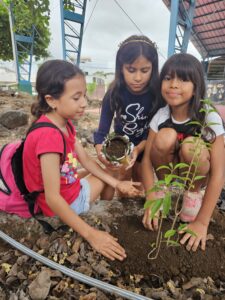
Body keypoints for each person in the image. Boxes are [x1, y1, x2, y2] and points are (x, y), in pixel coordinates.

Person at [23, 59, 142, 261]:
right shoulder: (49, 137)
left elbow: (85, 160)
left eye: (84, 96)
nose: (84, 103)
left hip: (66, 187)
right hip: (64, 204)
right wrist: (91, 234)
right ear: (51, 100)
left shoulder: (63, 123)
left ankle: (104, 202)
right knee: (110, 171)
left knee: (105, 168)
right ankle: (104, 213)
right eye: (77, 98)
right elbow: (53, 198)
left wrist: (119, 184)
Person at [142, 53, 225, 252]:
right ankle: (164, 190)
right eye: (168, 78)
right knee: (165, 137)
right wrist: (150, 197)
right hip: (169, 172)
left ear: (196, 86)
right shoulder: (161, 115)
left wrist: (202, 222)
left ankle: (192, 195)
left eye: (183, 79)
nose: (173, 85)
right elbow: (146, 161)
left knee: (191, 147)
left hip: (196, 176)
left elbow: (219, 172)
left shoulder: (208, 116)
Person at [93, 35, 160, 199]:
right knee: (123, 177)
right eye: (131, 70)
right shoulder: (114, 93)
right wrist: (102, 154)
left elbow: (151, 131)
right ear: (121, 68)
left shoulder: (156, 95)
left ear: (153, 68)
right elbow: (101, 132)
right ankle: (121, 207)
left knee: (140, 179)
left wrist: (138, 149)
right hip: (121, 147)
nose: (138, 78)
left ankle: (135, 210)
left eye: (144, 70)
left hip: (145, 144)